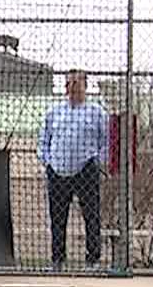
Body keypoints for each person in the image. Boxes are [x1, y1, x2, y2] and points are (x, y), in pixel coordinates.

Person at [38, 69, 110, 271]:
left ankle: (92, 260)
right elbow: (43, 141)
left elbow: (106, 141)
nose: (73, 87)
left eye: (77, 83)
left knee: (91, 215)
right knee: (57, 218)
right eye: (69, 83)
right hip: (58, 171)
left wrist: (98, 163)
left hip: (86, 170)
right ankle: (57, 260)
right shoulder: (54, 112)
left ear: (85, 86)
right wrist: (47, 162)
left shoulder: (97, 112)